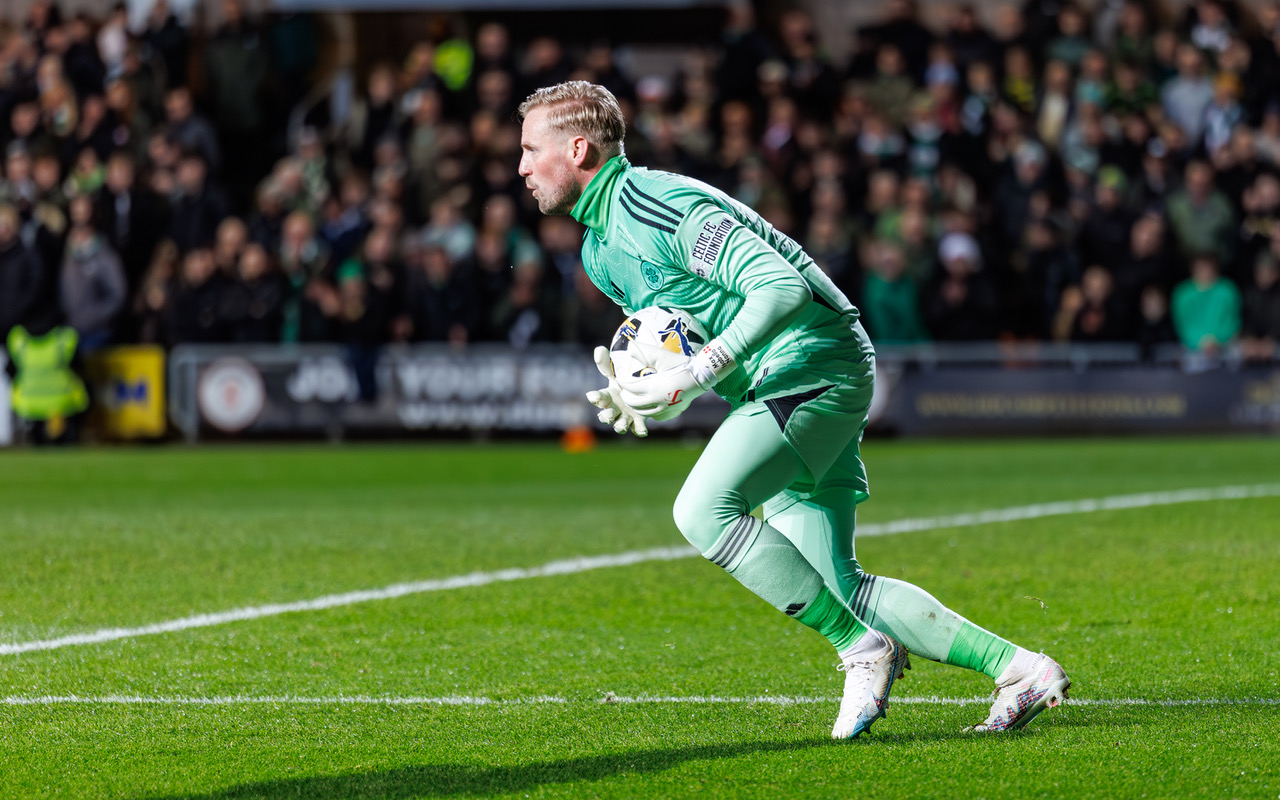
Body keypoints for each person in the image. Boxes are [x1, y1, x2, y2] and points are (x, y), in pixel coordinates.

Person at [517, 81, 1070, 739]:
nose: (521, 166)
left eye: (530, 148)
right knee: (841, 586)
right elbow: (682, 338)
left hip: (813, 362)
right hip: (777, 382)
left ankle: (862, 652)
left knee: (700, 511)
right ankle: (1020, 670)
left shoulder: (655, 204)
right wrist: (649, 391)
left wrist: (701, 371)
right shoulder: (598, 249)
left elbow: (779, 286)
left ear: (577, 148)